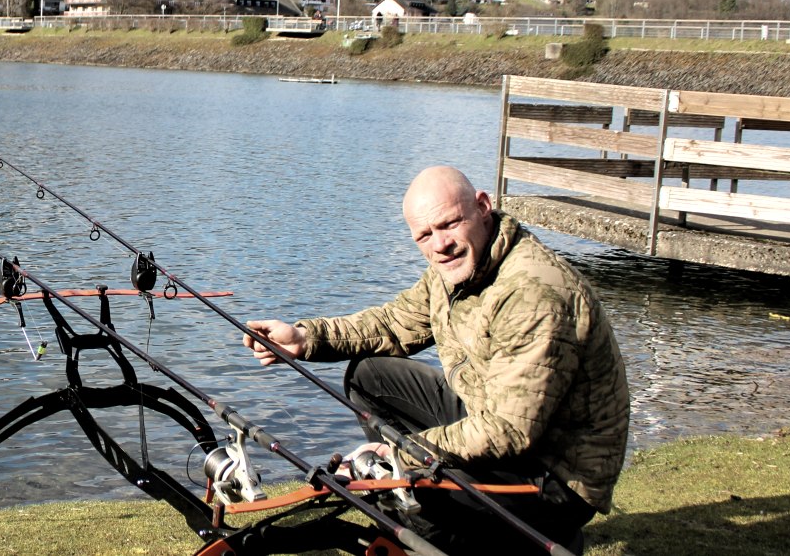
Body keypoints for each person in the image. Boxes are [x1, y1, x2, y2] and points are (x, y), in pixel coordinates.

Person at [244, 166, 629, 553]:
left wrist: (401, 454)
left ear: (482, 206)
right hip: (497, 423)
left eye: (449, 224)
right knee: (369, 376)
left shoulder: (533, 294)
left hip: (556, 477)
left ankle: (489, 528)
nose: (439, 245)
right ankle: (430, 508)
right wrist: (307, 338)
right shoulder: (457, 269)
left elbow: (508, 431)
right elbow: (393, 323)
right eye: (424, 236)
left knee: (406, 478)